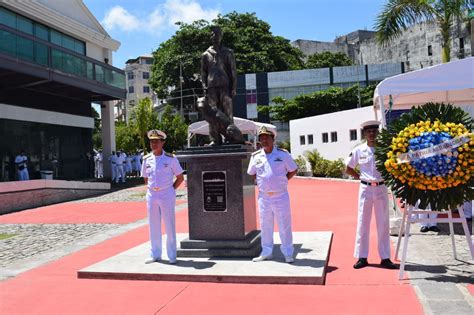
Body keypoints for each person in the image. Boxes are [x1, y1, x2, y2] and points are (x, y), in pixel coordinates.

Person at [345, 120, 397, 269]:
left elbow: (394, 165)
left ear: (378, 132)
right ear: (364, 134)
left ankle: (385, 257)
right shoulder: (359, 150)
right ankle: (362, 257)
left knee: (383, 223)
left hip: (381, 188)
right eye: (369, 131)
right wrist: (360, 177)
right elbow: (348, 168)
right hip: (366, 189)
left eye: (374, 131)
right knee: (363, 222)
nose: (372, 134)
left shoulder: (385, 150)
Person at [247, 126, 298, 263]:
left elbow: (293, 169)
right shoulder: (256, 156)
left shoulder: (283, 154)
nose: (264, 140)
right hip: (264, 197)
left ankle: (288, 253)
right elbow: (251, 173)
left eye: (267, 138)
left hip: (280, 196)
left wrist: (283, 180)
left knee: (284, 225)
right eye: (261, 138)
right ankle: (267, 252)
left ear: (273, 139)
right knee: (265, 225)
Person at [141, 129, 184, 264]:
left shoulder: (171, 159)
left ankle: (172, 255)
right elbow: (146, 178)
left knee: (169, 225)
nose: (153, 144)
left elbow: (180, 177)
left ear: (163, 143)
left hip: (166, 193)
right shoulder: (146, 159)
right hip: (152, 194)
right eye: (151, 142)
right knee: (153, 225)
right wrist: (151, 189)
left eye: (156, 141)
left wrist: (171, 189)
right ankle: (155, 254)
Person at [200, 26, 243, 145]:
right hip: (211, 88)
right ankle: (215, 139)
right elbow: (203, 73)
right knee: (212, 114)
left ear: (221, 36)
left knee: (228, 113)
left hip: (225, 87)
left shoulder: (228, 52)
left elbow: (233, 71)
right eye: (213, 34)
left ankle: (230, 137)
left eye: (217, 34)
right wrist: (204, 87)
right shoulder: (205, 55)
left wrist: (234, 87)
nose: (215, 36)